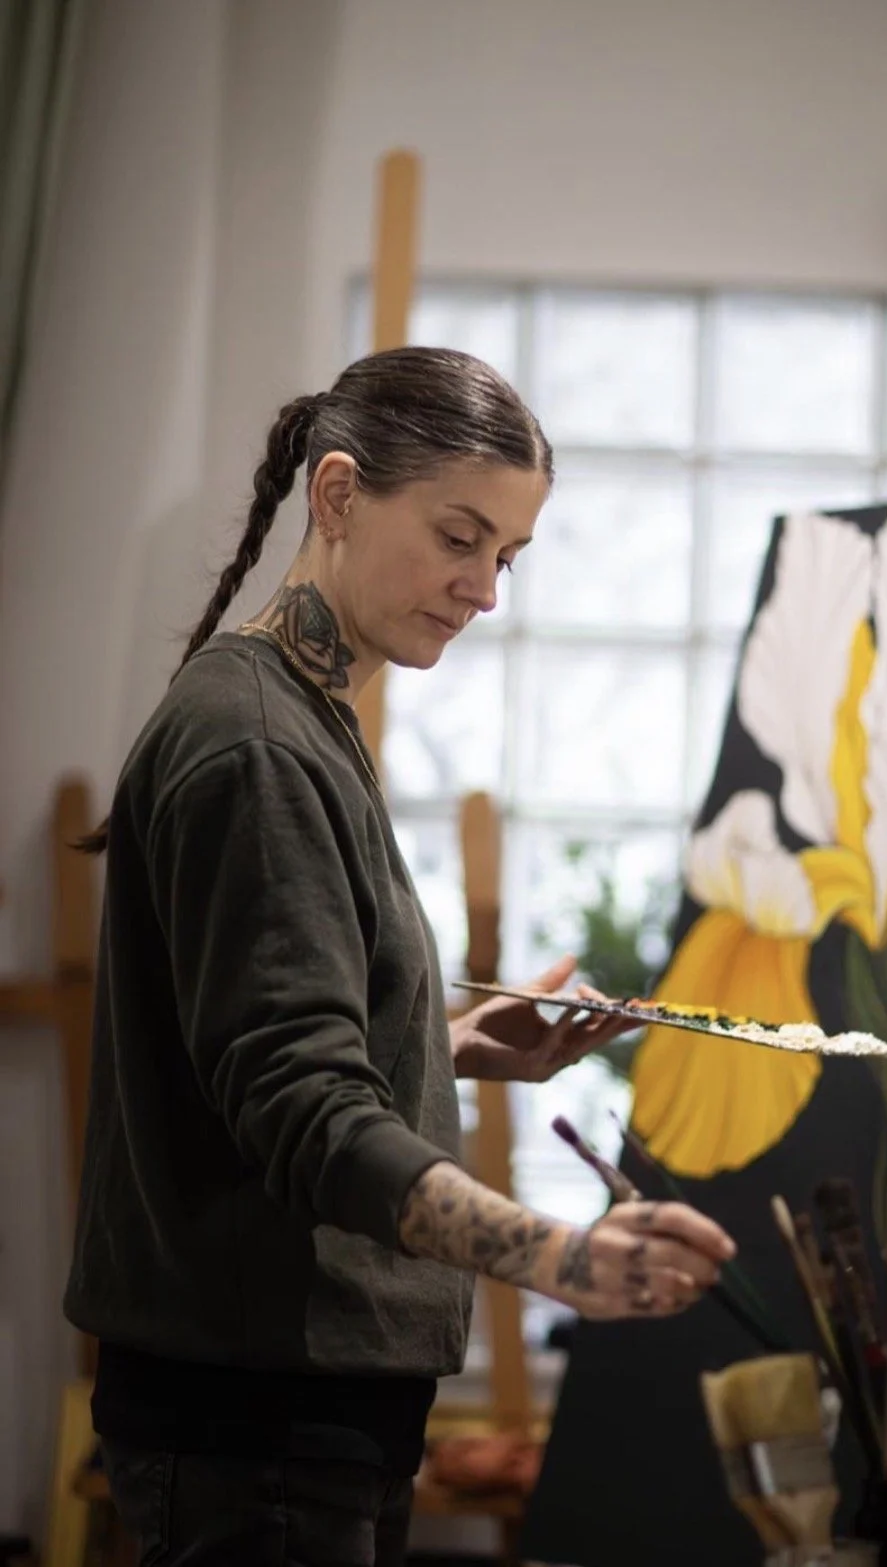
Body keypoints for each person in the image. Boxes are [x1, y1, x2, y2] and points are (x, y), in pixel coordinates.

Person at [64, 347, 736, 1567]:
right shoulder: (257, 742)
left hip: (294, 1407)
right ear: (336, 494)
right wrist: (564, 1256)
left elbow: (259, 1042)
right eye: (459, 537)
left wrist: (451, 1044)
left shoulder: (302, 716)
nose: (484, 589)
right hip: (257, 1415)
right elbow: (299, 1104)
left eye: (507, 556)